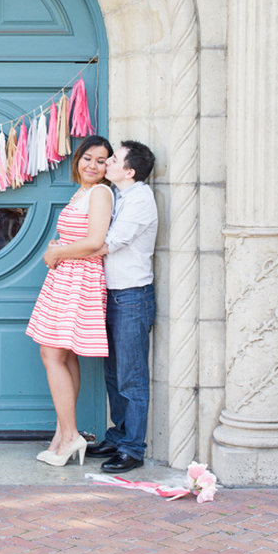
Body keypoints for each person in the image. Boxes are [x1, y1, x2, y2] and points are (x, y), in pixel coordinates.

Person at [26, 136, 114, 467]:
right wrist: (59, 247)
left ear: (109, 167)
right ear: (77, 159)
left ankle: (71, 434)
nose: (92, 165)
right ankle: (63, 434)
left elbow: (94, 241)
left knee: (51, 353)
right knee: (62, 353)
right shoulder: (82, 192)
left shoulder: (101, 193)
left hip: (81, 278)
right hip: (67, 277)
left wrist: (57, 252)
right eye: (87, 158)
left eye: (101, 160)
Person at [88, 140, 158, 473]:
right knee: (114, 374)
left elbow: (108, 243)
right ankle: (118, 437)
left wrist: (65, 250)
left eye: (114, 159)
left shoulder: (141, 199)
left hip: (132, 296)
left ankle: (133, 448)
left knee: (131, 377)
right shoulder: (118, 195)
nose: (108, 162)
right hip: (112, 294)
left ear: (129, 171)